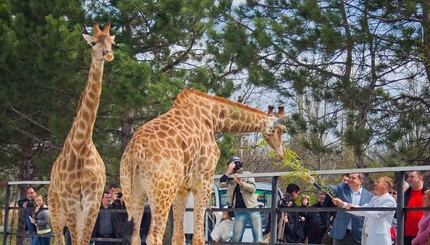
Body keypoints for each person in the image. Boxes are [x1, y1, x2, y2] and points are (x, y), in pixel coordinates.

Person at [333, 176, 396, 245]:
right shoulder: (374, 199)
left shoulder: (389, 200)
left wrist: (354, 207)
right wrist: (343, 204)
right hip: (369, 239)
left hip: (379, 239)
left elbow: (374, 214)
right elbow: (362, 209)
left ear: (385, 185)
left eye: (378, 182)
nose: (375, 183)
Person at [320, 173, 374, 245]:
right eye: (349, 177)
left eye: (353, 178)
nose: (350, 180)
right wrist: (312, 180)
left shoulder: (369, 196)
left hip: (359, 235)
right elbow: (328, 188)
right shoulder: (341, 188)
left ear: (361, 181)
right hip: (341, 234)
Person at [219, 156, 262, 242]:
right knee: (236, 239)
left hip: (252, 208)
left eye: (236, 164)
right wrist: (228, 171)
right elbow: (221, 184)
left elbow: (253, 188)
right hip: (239, 211)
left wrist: (240, 182)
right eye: (232, 164)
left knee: (258, 239)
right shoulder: (230, 178)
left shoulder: (247, 174)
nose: (235, 166)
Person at [404, 171, 428, 245]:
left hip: (424, 237)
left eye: (412, 177)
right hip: (406, 237)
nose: (408, 179)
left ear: (420, 178)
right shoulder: (404, 195)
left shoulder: (428, 194)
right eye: (408, 177)